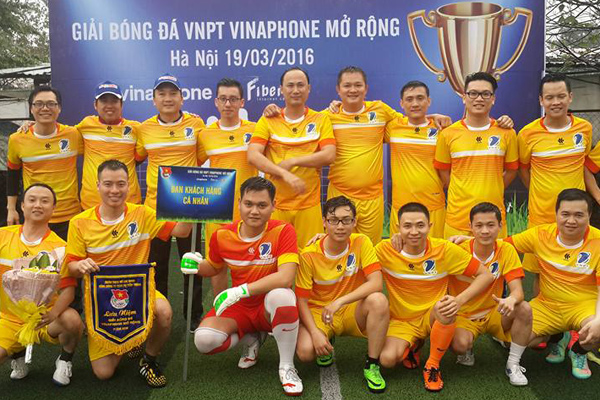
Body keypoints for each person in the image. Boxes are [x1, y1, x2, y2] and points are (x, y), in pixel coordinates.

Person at [66, 160, 193, 387]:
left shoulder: (142, 214)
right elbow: (71, 267)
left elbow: (182, 231)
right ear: (98, 185)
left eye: (121, 184)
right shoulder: (79, 222)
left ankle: (148, 360)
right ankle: (132, 338)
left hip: (138, 292)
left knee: (164, 312)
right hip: (102, 301)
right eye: (108, 184)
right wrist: (81, 265)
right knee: (104, 373)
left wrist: (191, 204)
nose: (114, 190)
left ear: (129, 185)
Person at [181, 177, 303, 396]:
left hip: (269, 307)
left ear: (273, 206)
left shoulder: (283, 230)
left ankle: (287, 366)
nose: (254, 211)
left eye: (262, 205)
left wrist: (241, 290)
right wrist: (196, 265)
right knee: (204, 341)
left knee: (282, 295)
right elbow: (214, 267)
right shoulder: (222, 235)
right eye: (248, 204)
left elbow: (286, 277)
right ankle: (252, 339)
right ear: (239, 203)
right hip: (240, 308)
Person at [376, 202, 493, 391]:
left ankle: (432, 365)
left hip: (433, 315)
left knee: (446, 306)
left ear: (430, 226)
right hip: (402, 321)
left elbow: (485, 275)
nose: (414, 232)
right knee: (387, 360)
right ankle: (414, 345)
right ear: (398, 227)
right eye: (407, 226)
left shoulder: (443, 250)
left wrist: (459, 300)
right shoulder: (385, 249)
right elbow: (358, 254)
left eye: (420, 225)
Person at [295, 195, 389, 393]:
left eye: (346, 220)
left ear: (354, 222)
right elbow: (301, 301)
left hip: (350, 310)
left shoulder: (362, 241)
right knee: (305, 352)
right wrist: (315, 333)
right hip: (320, 312)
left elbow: (376, 283)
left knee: (378, 301)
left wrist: (340, 302)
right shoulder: (308, 254)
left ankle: (372, 365)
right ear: (324, 222)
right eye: (334, 220)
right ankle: (325, 336)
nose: (340, 226)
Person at [503, 189, 600, 380]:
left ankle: (578, 351)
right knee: (511, 341)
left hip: (583, 307)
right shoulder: (540, 234)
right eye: (565, 214)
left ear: (589, 215)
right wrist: (469, 242)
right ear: (556, 214)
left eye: (579, 215)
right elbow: (502, 245)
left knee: (598, 329)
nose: (571, 220)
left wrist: (598, 320)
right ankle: (558, 336)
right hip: (547, 305)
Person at [136, 73, 205, 326]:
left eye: (173, 93)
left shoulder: (196, 124)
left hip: (189, 205)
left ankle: (193, 317)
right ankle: (157, 316)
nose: (168, 98)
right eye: (162, 94)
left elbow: (201, 158)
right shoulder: (143, 129)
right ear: (154, 100)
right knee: (157, 266)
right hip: (155, 208)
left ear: (182, 98)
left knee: (193, 264)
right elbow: (135, 157)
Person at [0, 183, 82, 385]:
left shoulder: (61, 248)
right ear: (22, 206)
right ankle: (17, 354)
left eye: (45, 201)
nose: (38, 205)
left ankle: (65, 359)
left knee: (72, 320)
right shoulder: (3, 236)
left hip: (45, 317)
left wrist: (53, 314)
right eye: (32, 200)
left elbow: (68, 292)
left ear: (53, 209)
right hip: (9, 318)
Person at [247, 67, 336, 247]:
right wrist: (284, 173)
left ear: (308, 89)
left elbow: (329, 155)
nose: (296, 90)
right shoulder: (268, 120)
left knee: (310, 258)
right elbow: (253, 155)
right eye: (290, 85)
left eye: (300, 85)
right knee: (274, 258)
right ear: (281, 89)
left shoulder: (320, 119)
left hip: (309, 205)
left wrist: (294, 161)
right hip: (275, 205)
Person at [448, 202, 532, 386]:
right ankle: (467, 349)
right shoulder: (457, 250)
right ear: (470, 227)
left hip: (495, 312)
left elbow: (518, 291)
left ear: (500, 226)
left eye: (491, 225)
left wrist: (511, 299)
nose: (485, 231)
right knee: (459, 345)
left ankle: (513, 364)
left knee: (524, 308)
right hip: (464, 315)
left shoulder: (506, 250)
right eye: (479, 225)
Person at [434, 72, 518, 239]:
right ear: (464, 98)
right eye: (473, 93)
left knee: (496, 257)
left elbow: (512, 171)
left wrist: (493, 187)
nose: (479, 99)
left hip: (493, 220)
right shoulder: (447, 134)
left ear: (493, 99)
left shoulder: (507, 133)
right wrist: (462, 189)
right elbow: (443, 172)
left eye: (485, 94)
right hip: (457, 220)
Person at [197, 78, 258, 296]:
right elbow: (193, 165)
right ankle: (221, 311)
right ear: (216, 102)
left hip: (249, 210)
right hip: (217, 210)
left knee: (252, 264)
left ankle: (251, 312)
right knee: (217, 265)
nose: (228, 104)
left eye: (233, 99)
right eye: (223, 99)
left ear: (242, 102)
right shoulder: (205, 134)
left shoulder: (256, 129)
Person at [7, 86, 82, 240]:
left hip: (69, 217)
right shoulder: (17, 139)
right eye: (39, 104)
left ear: (59, 108)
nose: (45, 108)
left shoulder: (73, 135)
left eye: (51, 104)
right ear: (31, 108)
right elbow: (12, 175)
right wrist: (11, 209)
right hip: (35, 216)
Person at [386, 80, 446, 238]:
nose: (415, 104)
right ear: (401, 103)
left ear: (429, 101)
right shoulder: (393, 127)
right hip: (401, 207)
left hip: (433, 206)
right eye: (409, 99)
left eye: (420, 98)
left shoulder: (443, 129)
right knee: (400, 252)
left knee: (434, 252)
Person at [76, 81, 142, 209]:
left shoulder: (136, 128)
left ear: (121, 104)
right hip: (91, 205)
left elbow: (140, 157)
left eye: (114, 101)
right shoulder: (86, 125)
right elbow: (60, 134)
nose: (109, 105)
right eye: (104, 101)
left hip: (129, 204)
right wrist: (35, 125)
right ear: (95, 105)